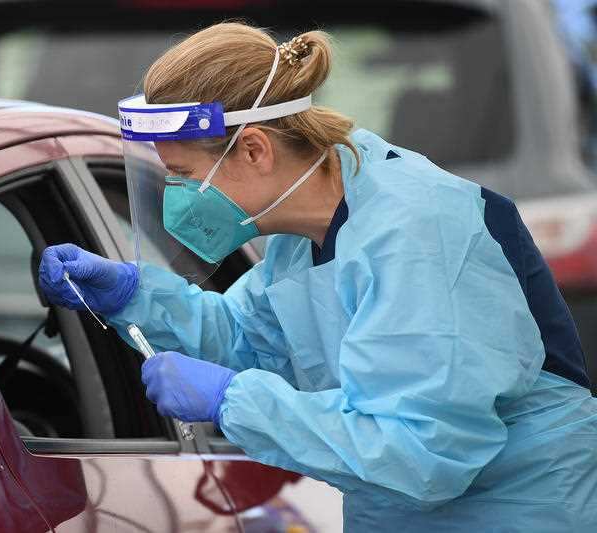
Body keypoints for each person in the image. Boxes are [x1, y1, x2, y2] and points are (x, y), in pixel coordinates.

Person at [38, 23, 597, 531]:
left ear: (254, 149)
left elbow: (421, 450)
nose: (177, 199)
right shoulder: (309, 225)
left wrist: (234, 401)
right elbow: (251, 337)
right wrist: (134, 296)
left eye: (182, 175)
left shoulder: (417, 233)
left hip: (518, 510)